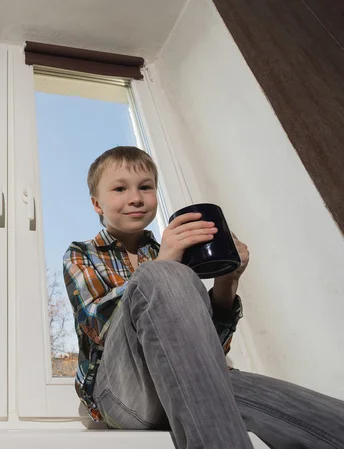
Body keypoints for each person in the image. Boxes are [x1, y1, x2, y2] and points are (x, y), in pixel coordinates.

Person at [62, 146, 344, 449]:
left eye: (146, 187)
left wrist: (227, 280)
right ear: (97, 204)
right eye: (120, 188)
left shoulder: (171, 255)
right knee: (160, 276)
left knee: (322, 416)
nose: (135, 198)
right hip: (120, 396)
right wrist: (164, 265)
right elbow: (96, 328)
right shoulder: (81, 254)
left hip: (186, 382)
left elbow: (208, 350)